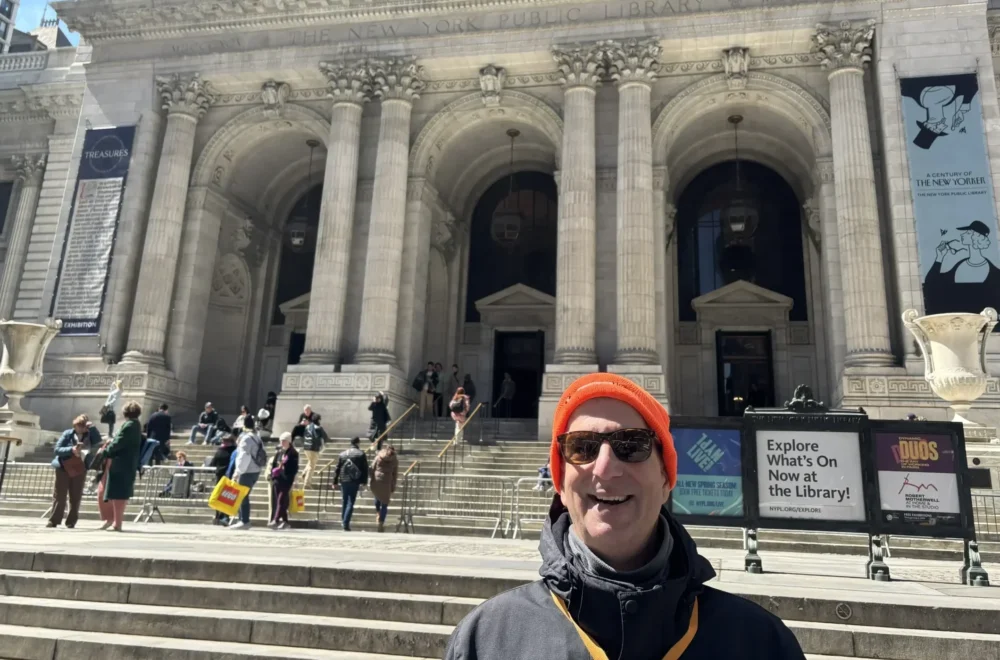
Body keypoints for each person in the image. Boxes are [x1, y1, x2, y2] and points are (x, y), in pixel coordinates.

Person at [444, 373, 806, 660]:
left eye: (631, 445)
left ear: (667, 478)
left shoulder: (761, 643)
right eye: (581, 447)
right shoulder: (486, 640)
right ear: (560, 482)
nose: (605, 468)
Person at [93, 401, 144, 532]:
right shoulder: (135, 425)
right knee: (117, 494)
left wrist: (104, 451)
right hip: (126, 463)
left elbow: (119, 442)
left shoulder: (129, 425)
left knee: (118, 495)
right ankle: (115, 522)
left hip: (121, 464)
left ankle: (117, 523)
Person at [47, 414, 100, 529]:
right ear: (75, 425)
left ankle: (71, 521)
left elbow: (98, 441)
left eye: (83, 426)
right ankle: (54, 520)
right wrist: (71, 450)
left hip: (80, 467)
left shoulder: (89, 435)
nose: (81, 428)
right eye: (79, 426)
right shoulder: (68, 434)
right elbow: (57, 449)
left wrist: (93, 428)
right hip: (64, 467)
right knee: (59, 495)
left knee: (75, 495)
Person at [230, 415, 265, 530]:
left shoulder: (246, 439)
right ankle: (242, 519)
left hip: (247, 470)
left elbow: (243, 456)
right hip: (256, 470)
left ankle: (244, 520)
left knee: (242, 496)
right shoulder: (257, 437)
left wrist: (237, 472)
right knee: (244, 495)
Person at [333, 436, 368, 531]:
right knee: (350, 501)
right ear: (358, 443)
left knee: (344, 500)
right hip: (354, 480)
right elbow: (365, 469)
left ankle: (343, 520)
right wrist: (364, 481)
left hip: (344, 479)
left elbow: (337, 468)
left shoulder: (343, 454)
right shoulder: (361, 454)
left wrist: (335, 481)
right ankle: (345, 522)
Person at [269, 432, 299, 530]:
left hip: (287, 479)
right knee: (279, 500)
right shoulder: (279, 452)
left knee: (281, 499)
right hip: (278, 479)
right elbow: (274, 464)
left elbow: (294, 468)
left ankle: (276, 520)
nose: (282, 442)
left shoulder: (293, 453)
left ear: (289, 441)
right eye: (281, 440)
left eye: (284, 441)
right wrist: (273, 476)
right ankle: (285, 522)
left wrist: (294, 480)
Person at [209, 434, 238, 525]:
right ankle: (221, 516)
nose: (224, 442)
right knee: (223, 497)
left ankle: (220, 516)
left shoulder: (221, 451)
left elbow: (213, 463)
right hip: (226, 475)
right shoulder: (233, 451)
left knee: (222, 496)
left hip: (224, 476)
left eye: (225, 441)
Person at [369, 444, 398, 533]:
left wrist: (372, 477)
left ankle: (378, 512)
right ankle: (381, 522)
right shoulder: (394, 460)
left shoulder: (379, 456)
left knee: (377, 496)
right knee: (385, 503)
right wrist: (393, 485)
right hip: (387, 481)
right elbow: (395, 474)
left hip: (377, 479)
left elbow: (372, 467)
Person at [300, 414, 328, 488]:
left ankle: (304, 473)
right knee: (312, 466)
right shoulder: (318, 428)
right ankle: (307, 483)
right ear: (318, 420)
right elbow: (325, 437)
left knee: (310, 461)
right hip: (313, 448)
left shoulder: (308, 426)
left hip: (306, 448)